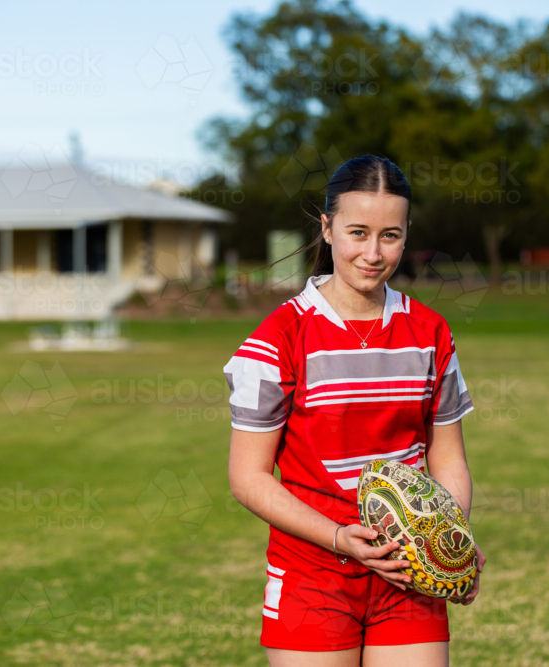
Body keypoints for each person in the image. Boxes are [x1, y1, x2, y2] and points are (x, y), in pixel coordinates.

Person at [224, 155, 485, 667]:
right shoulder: (277, 338)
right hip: (311, 575)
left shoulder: (431, 333)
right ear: (326, 227)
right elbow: (247, 477)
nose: (372, 252)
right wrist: (342, 538)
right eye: (357, 232)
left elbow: (448, 460)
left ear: (407, 235)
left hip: (407, 578)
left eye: (390, 235)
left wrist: (448, 537)